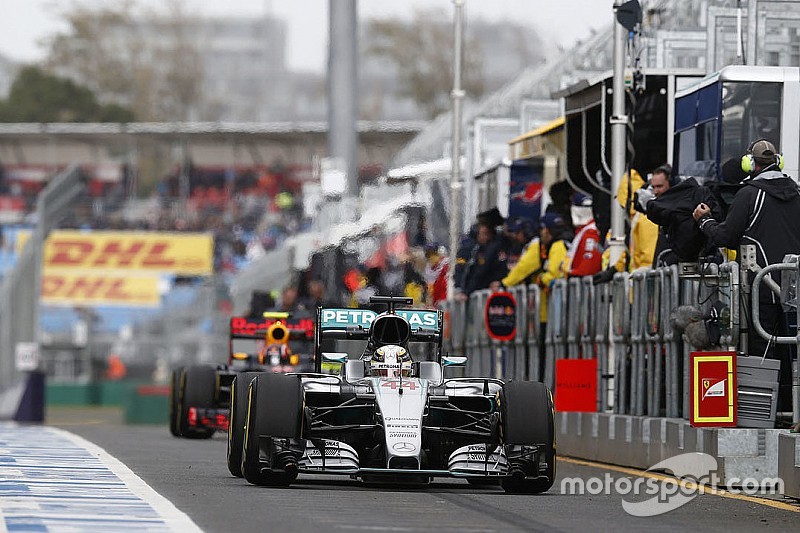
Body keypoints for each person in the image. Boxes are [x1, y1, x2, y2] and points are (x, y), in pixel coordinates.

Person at [693, 139, 800, 414]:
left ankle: (763, 414)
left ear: (750, 164)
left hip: (760, 288)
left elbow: (727, 236)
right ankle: (792, 412)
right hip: (793, 288)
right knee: (793, 351)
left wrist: (705, 222)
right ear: (779, 161)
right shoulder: (797, 193)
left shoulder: (750, 194)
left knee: (761, 351)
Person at [637, 164, 720, 266]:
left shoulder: (690, 201)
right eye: (653, 187)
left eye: (659, 186)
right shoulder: (661, 211)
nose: (655, 191)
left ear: (671, 183)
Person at [455, 221, 508, 300]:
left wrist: (467, 292)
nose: (483, 237)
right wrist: (461, 288)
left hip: (488, 291)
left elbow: (481, 271)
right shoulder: (474, 248)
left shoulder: (493, 248)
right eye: (482, 234)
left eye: (486, 234)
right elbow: (461, 269)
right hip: (477, 290)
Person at [423, 243, 449, 308]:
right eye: (429, 255)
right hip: (436, 297)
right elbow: (430, 286)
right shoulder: (428, 269)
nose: (431, 257)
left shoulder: (446, 264)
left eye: (434, 254)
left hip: (445, 296)